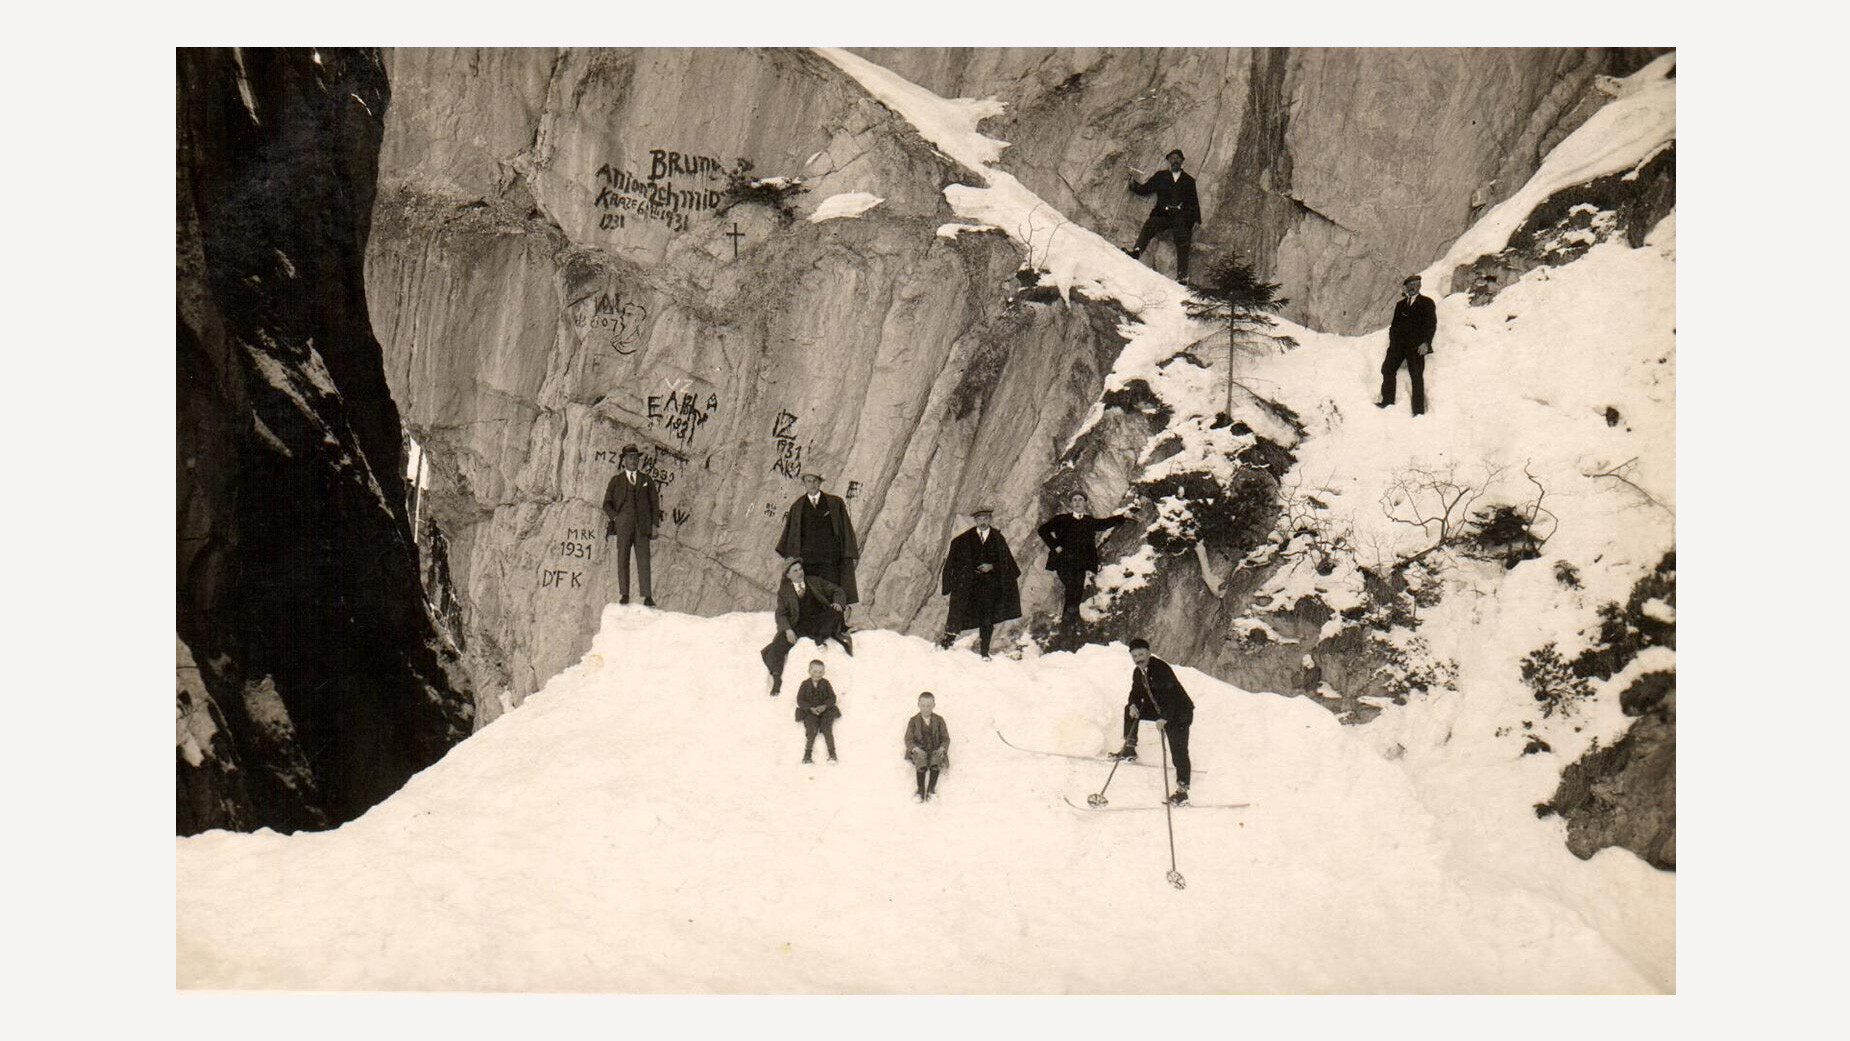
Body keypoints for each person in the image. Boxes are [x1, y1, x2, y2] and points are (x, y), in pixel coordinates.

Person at [1109, 637, 1196, 805]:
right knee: (1129, 710)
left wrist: (1165, 717)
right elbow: (1135, 692)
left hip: (1179, 712)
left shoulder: (1161, 668)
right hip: (1159, 709)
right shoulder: (1138, 672)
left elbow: (1172, 696)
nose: (1138, 659)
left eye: (1141, 654)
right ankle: (1129, 749)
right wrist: (1133, 704)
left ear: (1149, 653)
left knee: (1178, 750)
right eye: (1134, 656)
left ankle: (1183, 791)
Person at [938, 507, 1021, 660]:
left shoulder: (998, 539)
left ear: (990, 519)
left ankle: (984, 652)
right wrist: (948, 585)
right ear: (975, 520)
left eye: (986, 519)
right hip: (969, 585)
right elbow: (951, 562)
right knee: (957, 612)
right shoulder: (963, 539)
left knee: (987, 617)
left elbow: (1008, 563)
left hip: (990, 585)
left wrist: (992, 566)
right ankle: (946, 644)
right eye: (979, 519)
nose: (983, 522)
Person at [760, 559, 853, 696]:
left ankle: (820, 639)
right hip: (798, 625)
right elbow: (781, 614)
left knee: (835, 611)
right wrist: (788, 629)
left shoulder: (814, 581)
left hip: (819, 621)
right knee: (777, 646)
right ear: (788, 575)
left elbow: (837, 590)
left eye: (800, 569)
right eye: (795, 571)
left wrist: (838, 602)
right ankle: (776, 678)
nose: (800, 573)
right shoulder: (784, 592)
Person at [1037, 492, 1129, 629]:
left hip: (1081, 564)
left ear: (1085, 503)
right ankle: (1068, 624)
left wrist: (1123, 517)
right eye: (1074, 500)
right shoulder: (1061, 519)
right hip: (1064, 561)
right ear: (1070, 503)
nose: (1077, 502)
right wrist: (1055, 546)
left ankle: (1071, 623)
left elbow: (1104, 523)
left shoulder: (1088, 521)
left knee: (1077, 591)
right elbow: (1042, 530)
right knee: (1072, 588)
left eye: (1080, 500)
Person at [775, 473, 860, 603]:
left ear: (820, 482)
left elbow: (846, 529)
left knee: (833, 593)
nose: (812, 484)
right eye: (809, 481)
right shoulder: (797, 507)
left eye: (815, 481)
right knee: (811, 596)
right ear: (804, 483)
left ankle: (834, 616)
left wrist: (850, 553)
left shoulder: (835, 503)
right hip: (807, 560)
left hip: (831, 559)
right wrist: (790, 555)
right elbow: (790, 534)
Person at [1124, 148, 1202, 283]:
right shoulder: (1160, 176)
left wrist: (1196, 219)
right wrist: (1133, 184)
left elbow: (1193, 201)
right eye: (1172, 158)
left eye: (1177, 158)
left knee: (1184, 237)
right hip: (1163, 214)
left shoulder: (1189, 180)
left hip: (1181, 217)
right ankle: (1137, 251)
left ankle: (1182, 275)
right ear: (1168, 161)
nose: (1175, 161)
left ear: (1182, 161)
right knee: (1150, 223)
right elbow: (1146, 189)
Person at [602, 444, 661, 606]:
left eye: (635, 458)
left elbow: (655, 503)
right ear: (624, 460)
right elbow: (606, 503)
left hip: (643, 525)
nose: (633, 461)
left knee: (644, 560)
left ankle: (647, 596)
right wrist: (616, 518)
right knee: (623, 559)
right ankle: (624, 594)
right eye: (630, 458)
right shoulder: (616, 481)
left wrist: (654, 524)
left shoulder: (646, 480)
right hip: (623, 525)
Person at [1377, 274, 1438, 416]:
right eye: (1409, 286)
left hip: (1416, 347)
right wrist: (1393, 343)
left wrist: (1426, 343)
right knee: (1387, 369)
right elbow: (1394, 326)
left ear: (1420, 286)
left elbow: (1431, 325)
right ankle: (1387, 402)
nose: (1412, 288)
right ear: (1406, 288)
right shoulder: (1400, 305)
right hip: (1398, 346)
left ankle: (1418, 411)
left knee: (1416, 377)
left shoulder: (1427, 303)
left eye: (1415, 285)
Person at [904, 692, 951, 803]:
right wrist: (915, 748)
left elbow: (945, 738)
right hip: (920, 750)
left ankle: (931, 790)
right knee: (921, 759)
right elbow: (908, 739)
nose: (926, 709)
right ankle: (920, 791)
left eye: (929, 706)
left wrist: (942, 748)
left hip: (934, 749)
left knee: (936, 760)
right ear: (918, 705)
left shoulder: (939, 720)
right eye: (923, 706)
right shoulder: (913, 721)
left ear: (934, 705)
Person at [794, 659, 841, 764]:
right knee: (811, 729)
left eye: (820, 672)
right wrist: (810, 708)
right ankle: (807, 755)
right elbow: (800, 700)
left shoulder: (826, 683)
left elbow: (833, 698)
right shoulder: (805, 684)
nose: (817, 674)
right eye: (814, 671)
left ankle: (832, 754)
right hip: (810, 711)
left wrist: (825, 706)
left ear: (824, 672)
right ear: (809, 671)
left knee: (827, 729)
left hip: (825, 711)